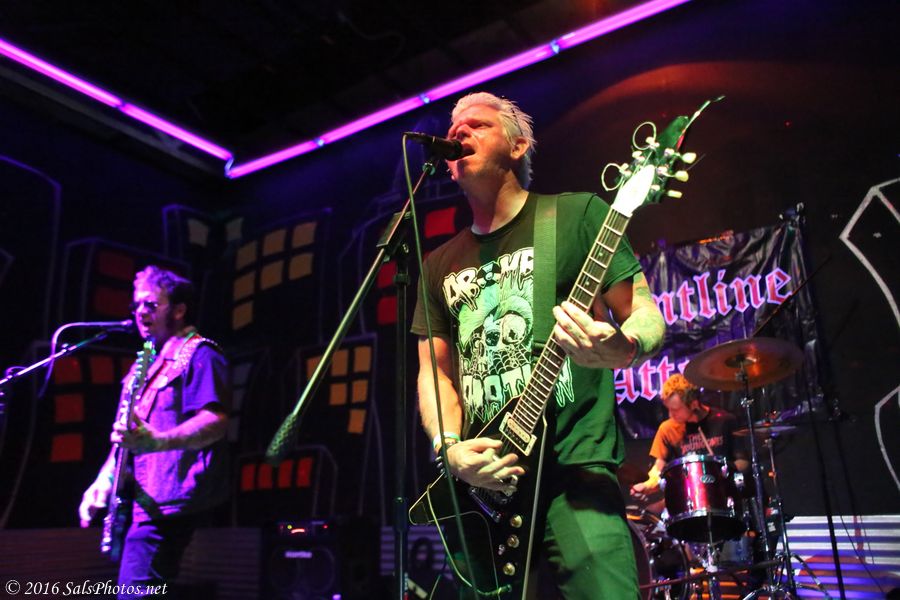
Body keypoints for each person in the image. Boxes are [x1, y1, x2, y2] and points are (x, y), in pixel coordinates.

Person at [411, 92, 665, 599]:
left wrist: (625, 346)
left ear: (518, 145)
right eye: (454, 128)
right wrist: (449, 449)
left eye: (477, 125)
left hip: (576, 468)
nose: (458, 133)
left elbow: (644, 310)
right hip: (485, 491)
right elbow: (434, 373)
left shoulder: (576, 216)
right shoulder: (437, 264)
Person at [78, 266, 231, 597]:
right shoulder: (143, 365)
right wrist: (104, 480)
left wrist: (159, 441)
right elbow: (127, 439)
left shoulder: (200, 353)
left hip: (168, 500)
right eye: (137, 304)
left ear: (178, 310)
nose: (140, 312)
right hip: (141, 501)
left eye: (151, 304)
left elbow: (216, 421)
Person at [630, 373, 748, 500]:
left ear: (694, 404)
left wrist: (724, 473)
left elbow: (743, 461)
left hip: (725, 496)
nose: (670, 415)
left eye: (675, 410)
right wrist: (646, 485)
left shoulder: (725, 421)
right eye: (668, 409)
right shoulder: (667, 429)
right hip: (691, 499)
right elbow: (658, 468)